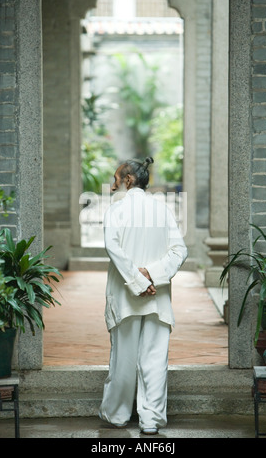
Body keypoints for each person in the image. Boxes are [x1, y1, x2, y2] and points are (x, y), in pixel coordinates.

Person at [98, 156, 188, 435]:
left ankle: (117, 415)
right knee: (155, 360)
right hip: (157, 297)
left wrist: (138, 280)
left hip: (126, 296)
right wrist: (152, 275)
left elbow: (113, 249)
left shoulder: (116, 210)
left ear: (127, 180)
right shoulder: (162, 211)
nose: (112, 187)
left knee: (123, 359)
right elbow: (179, 251)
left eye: (115, 180)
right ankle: (151, 420)